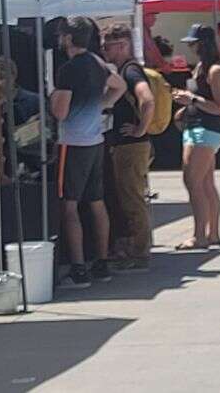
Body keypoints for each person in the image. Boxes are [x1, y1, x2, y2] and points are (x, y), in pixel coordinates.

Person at [52, 17, 128, 288]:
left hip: (72, 143)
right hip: (96, 141)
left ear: (69, 39)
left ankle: (78, 268)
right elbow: (120, 86)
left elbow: (60, 112)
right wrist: (101, 105)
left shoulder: (68, 69)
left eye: (63, 36)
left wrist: (52, 102)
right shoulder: (98, 63)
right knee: (96, 201)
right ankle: (101, 262)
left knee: (69, 205)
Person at [103, 23, 156, 273]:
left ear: (123, 45)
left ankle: (140, 251)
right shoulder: (124, 70)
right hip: (128, 145)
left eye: (109, 45)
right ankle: (136, 248)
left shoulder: (131, 71)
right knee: (129, 196)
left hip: (132, 146)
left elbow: (147, 100)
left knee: (133, 198)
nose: (105, 50)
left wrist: (140, 129)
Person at [174, 24, 220, 251]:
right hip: (199, 126)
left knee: (193, 182)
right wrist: (186, 108)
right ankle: (212, 234)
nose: (191, 47)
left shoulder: (216, 71)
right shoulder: (202, 67)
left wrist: (192, 100)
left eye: (193, 43)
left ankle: (199, 235)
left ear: (203, 44)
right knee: (206, 183)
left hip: (205, 130)